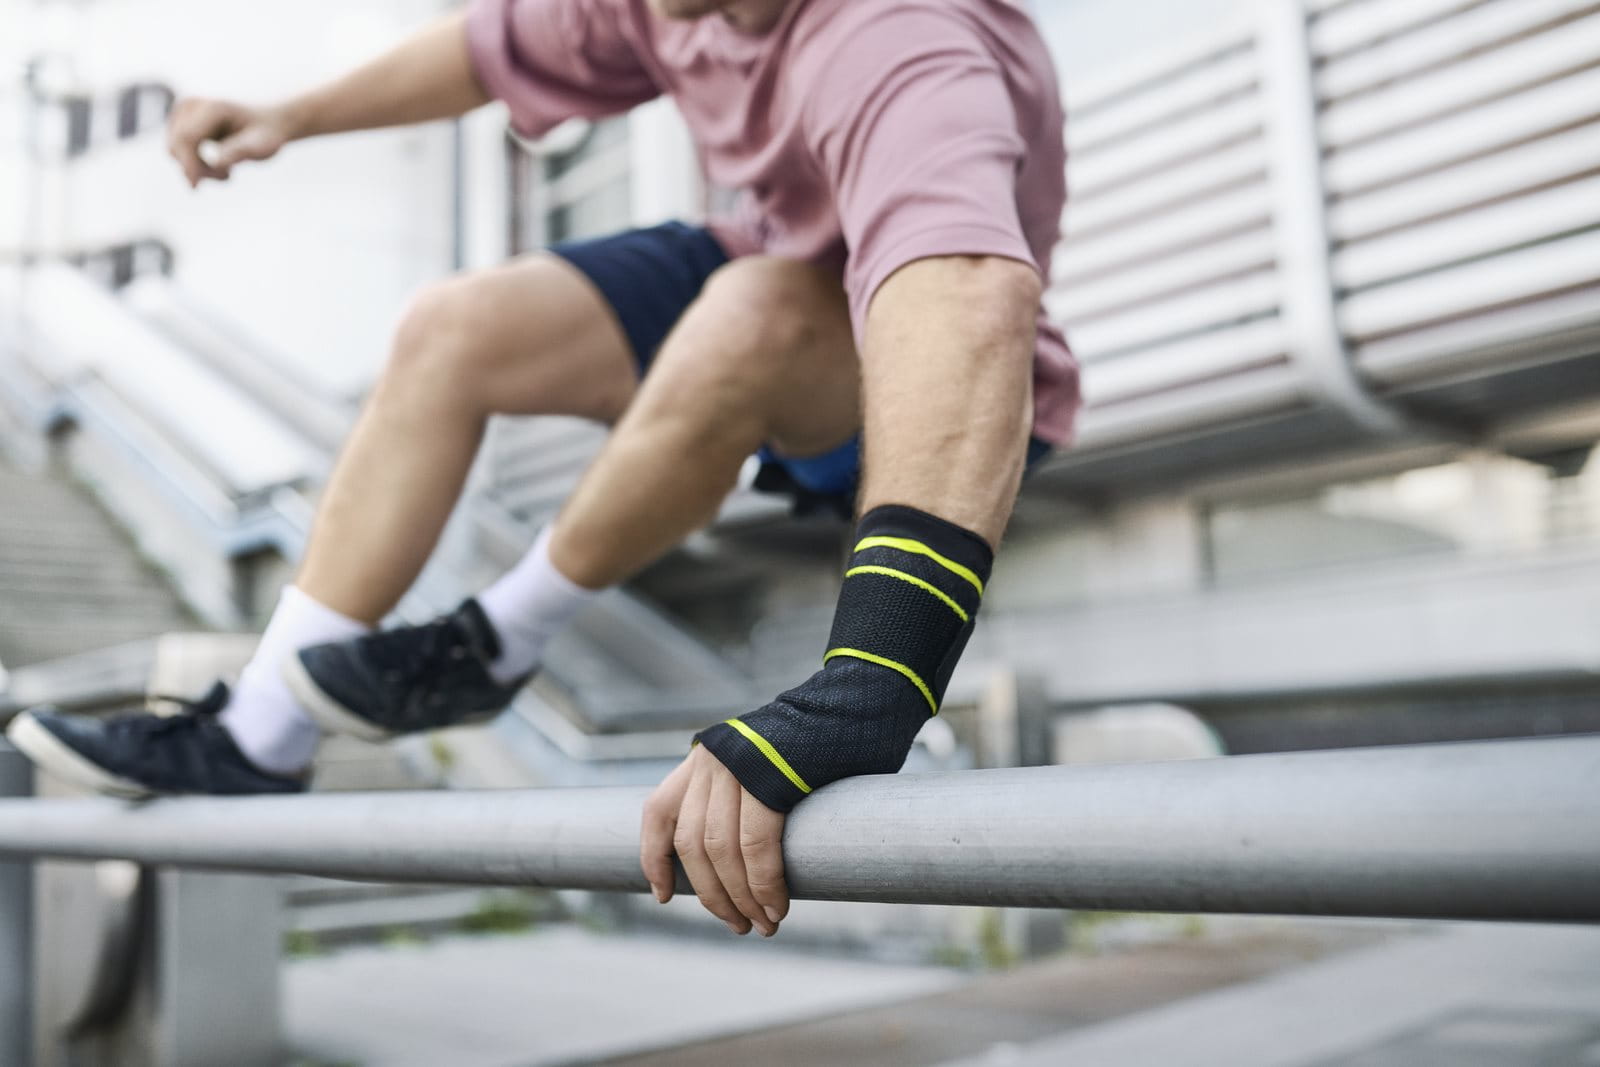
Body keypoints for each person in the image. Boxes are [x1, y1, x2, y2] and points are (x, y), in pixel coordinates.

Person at [6, 0, 1077, 938]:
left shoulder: (896, 38)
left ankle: (500, 632)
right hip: (776, 256)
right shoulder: (666, 5)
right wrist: (293, 115)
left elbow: (969, 287)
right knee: (455, 327)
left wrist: (877, 678)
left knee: (748, 307)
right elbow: (485, 47)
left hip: (919, 361)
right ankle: (259, 732)